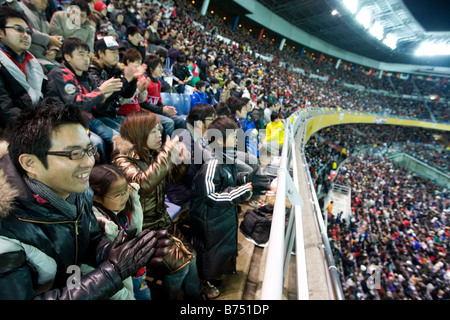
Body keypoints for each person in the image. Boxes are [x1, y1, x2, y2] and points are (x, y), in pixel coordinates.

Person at [0, 98, 170, 299]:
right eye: (75, 153)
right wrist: (111, 272)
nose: (89, 163)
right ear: (30, 163)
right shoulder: (7, 234)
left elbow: (90, 239)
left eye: (89, 150)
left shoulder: (79, 191)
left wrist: (122, 251)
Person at [110, 110, 212, 300]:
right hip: (141, 230)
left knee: (191, 256)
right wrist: (166, 155)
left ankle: (196, 296)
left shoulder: (150, 153)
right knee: (179, 267)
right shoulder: (121, 159)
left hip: (161, 220)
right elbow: (143, 185)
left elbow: (172, 178)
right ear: (140, 134)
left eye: (160, 130)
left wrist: (180, 161)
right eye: (154, 132)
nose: (160, 135)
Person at [189, 117, 253, 288]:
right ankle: (205, 280)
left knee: (223, 247)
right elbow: (212, 196)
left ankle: (219, 272)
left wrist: (244, 178)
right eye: (233, 136)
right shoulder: (212, 162)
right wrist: (241, 191)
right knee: (210, 252)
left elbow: (228, 181)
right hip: (209, 220)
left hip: (222, 216)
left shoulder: (226, 157)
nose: (237, 138)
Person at [46, 37, 124, 164]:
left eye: (87, 55)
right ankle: (102, 177)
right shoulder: (60, 74)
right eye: (81, 54)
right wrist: (100, 92)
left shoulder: (87, 76)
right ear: (67, 56)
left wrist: (107, 97)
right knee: (97, 143)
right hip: (69, 123)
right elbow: (74, 104)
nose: (86, 58)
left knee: (118, 138)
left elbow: (98, 108)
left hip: (89, 119)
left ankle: (119, 171)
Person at [89, 164, 151, 300]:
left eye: (126, 190)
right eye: (118, 195)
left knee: (145, 295)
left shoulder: (126, 207)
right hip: (118, 282)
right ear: (96, 197)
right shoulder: (96, 225)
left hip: (136, 270)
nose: (124, 197)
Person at [0, 6, 46, 132]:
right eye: (18, 29)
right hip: (12, 131)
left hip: (36, 126)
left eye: (28, 31)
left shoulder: (34, 64)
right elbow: (6, 109)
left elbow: (48, 98)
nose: (25, 35)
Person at [89, 36, 146, 131]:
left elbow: (127, 95)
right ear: (100, 53)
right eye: (112, 52)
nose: (116, 55)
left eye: (117, 52)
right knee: (127, 134)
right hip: (96, 117)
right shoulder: (92, 70)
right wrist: (127, 79)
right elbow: (105, 95)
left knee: (144, 129)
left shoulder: (116, 69)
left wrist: (133, 79)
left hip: (113, 115)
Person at [142, 53, 186, 141]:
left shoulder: (158, 82)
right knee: (169, 123)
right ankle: (165, 149)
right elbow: (143, 104)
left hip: (155, 111)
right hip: (144, 112)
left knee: (181, 121)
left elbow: (158, 102)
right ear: (151, 68)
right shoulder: (144, 81)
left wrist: (165, 107)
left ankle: (178, 145)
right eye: (159, 67)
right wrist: (162, 110)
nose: (162, 70)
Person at [118, 48, 150, 116]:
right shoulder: (122, 77)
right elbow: (121, 101)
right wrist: (137, 89)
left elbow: (141, 100)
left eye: (140, 63)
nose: (139, 66)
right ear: (128, 62)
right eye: (138, 63)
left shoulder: (140, 77)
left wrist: (143, 90)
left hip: (137, 112)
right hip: (124, 114)